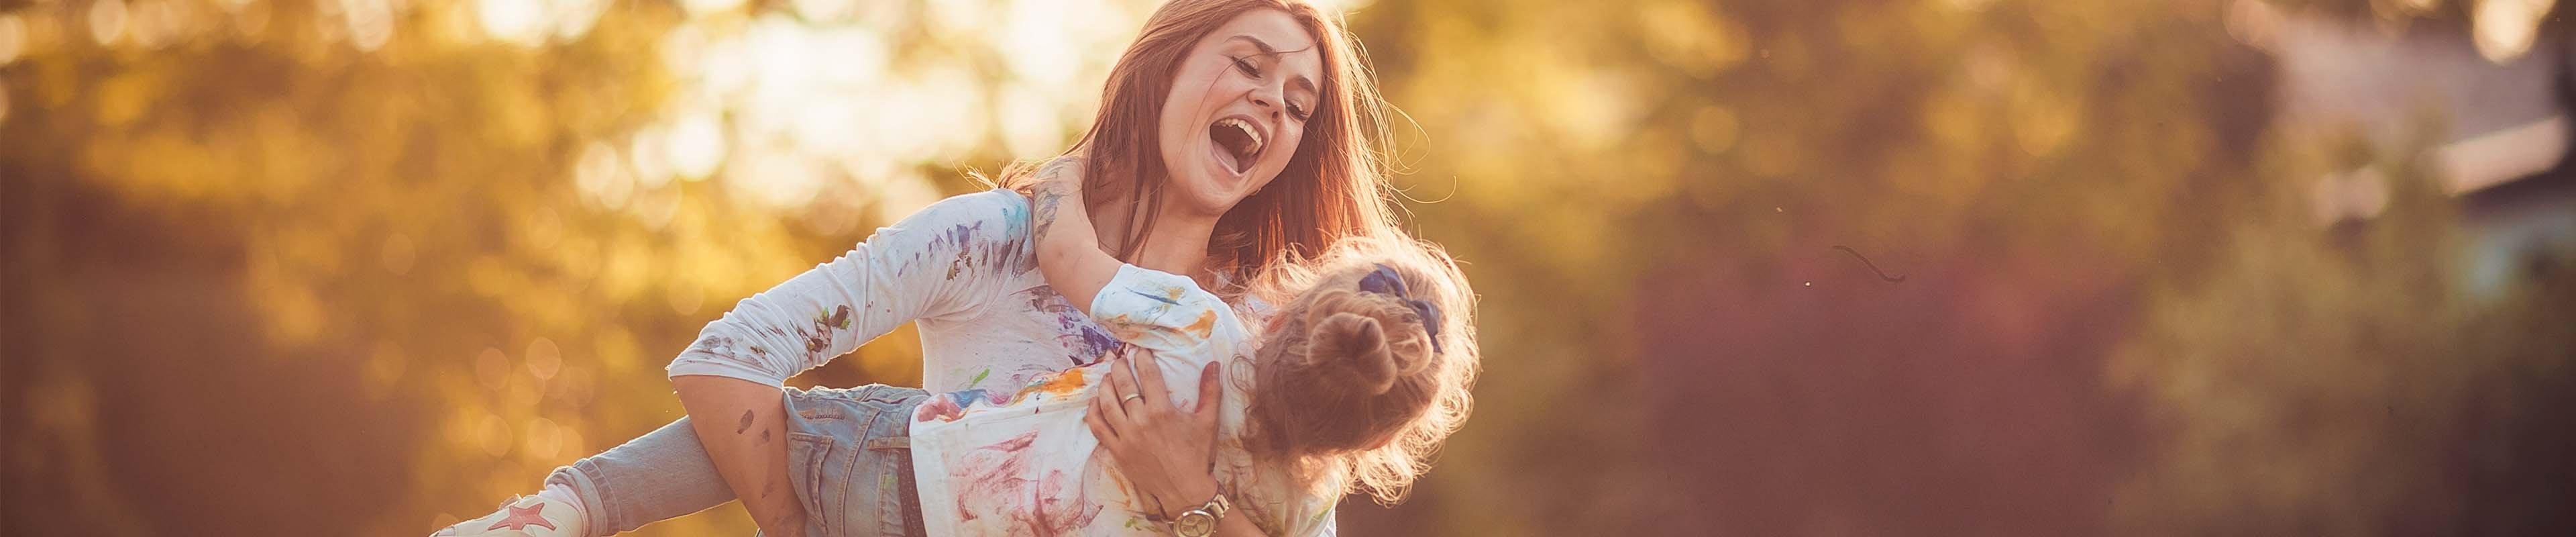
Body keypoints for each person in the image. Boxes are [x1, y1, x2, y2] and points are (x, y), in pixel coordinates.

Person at [432, 1, 1419, 535]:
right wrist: (796, 524)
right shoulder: (994, 238)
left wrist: (1190, 500)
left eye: (1298, 104)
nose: (1272, 105)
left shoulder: (1263, 342)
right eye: (1248, 64)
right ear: (1168, 64)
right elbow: (725, 360)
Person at [896, 160, 1476, 536]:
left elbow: (1066, 256)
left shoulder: (1199, 327)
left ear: (1277, 320)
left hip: (921, 468)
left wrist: (1060, 180)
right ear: (1378, 439)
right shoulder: (1306, 508)